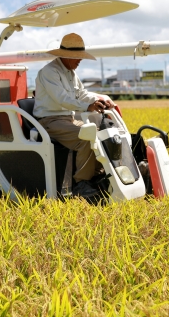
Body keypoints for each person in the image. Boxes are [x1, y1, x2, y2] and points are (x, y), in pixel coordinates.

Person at [33, 33, 115, 198]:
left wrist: (99, 101)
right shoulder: (50, 72)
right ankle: (80, 185)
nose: (80, 60)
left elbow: (82, 95)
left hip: (67, 120)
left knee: (96, 135)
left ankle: (95, 177)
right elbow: (62, 98)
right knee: (85, 138)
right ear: (65, 55)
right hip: (49, 121)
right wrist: (88, 106)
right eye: (76, 57)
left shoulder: (71, 73)